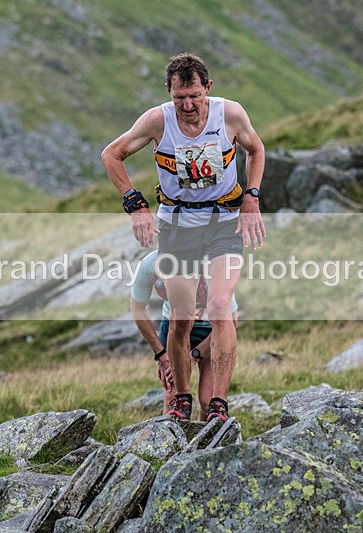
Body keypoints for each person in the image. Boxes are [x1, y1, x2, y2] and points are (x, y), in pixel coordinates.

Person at [101, 53, 265, 422]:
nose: (187, 106)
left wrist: (251, 198)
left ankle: (219, 405)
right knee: (181, 321)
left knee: (221, 307)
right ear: (168, 93)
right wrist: (135, 204)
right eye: (179, 98)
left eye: (194, 95)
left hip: (224, 223)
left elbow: (256, 149)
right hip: (177, 228)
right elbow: (111, 155)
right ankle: (182, 398)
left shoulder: (231, 115)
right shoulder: (158, 120)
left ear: (208, 88)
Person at [130, 250, 238, 420]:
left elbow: (231, 322)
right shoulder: (149, 264)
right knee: (173, 397)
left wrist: (194, 355)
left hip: (211, 329)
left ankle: (209, 444)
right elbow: (137, 309)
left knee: (207, 400)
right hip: (174, 326)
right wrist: (161, 354)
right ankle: (171, 443)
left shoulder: (210, 266)